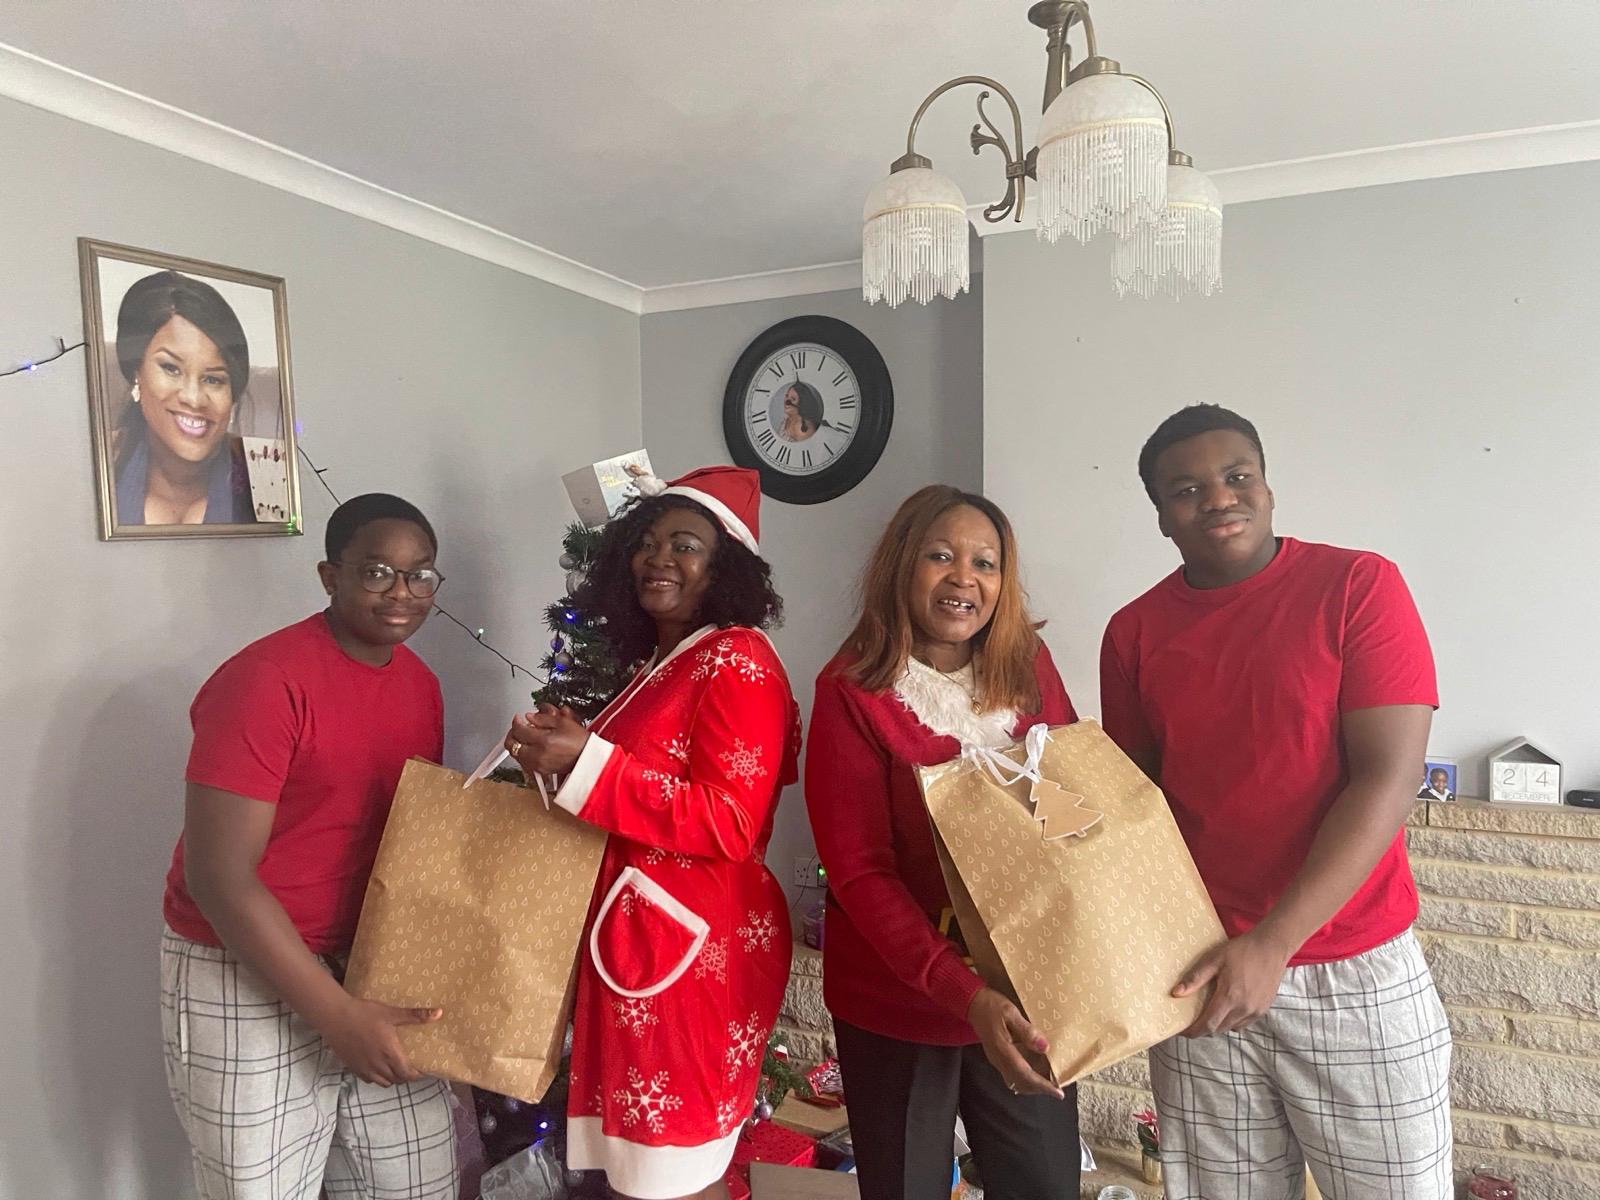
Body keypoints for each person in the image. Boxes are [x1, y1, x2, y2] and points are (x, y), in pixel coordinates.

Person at [1100, 404, 1453, 1199]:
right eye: (1187, 489)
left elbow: (1389, 778)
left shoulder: (1358, 586)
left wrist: (1273, 943)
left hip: (1352, 973)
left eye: (1237, 476)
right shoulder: (1133, 632)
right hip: (1202, 974)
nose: (1219, 499)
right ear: (1160, 516)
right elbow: (1138, 811)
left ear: (1267, 486)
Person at [504, 466, 800, 1200]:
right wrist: (564, 753)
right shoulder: (664, 661)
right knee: (646, 1178)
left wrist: (589, 761)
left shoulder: (738, 658)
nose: (657, 558)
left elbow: (731, 821)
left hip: (690, 964)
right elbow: (634, 783)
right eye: (647, 542)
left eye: (685, 545)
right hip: (645, 953)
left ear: (725, 566)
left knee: (675, 1178)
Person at [160, 493, 458, 1200]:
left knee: (418, 1181)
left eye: (420, 575)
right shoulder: (265, 681)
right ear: (331, 576)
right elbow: (218, 877)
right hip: (242, 965)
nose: (402, 593)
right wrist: (335, 1015)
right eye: (378, 572)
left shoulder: (421, 687)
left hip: (371, 962)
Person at [805, 485, 1081, 1200]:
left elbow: (1069, 803)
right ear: (902, 565)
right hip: (899, 1003)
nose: (965, 578)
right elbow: (861, 873)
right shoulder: (852, 690)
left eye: (985, 562)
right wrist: (964, 993)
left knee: (1045, 1184)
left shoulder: (1028, 668)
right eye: (940, 556)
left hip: (1023, 991)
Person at [111, 269, 258, 526]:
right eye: (171, 368)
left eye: (213, 379)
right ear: (136, 372)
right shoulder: (98, 466)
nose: (194, 398)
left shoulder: (263, 480)